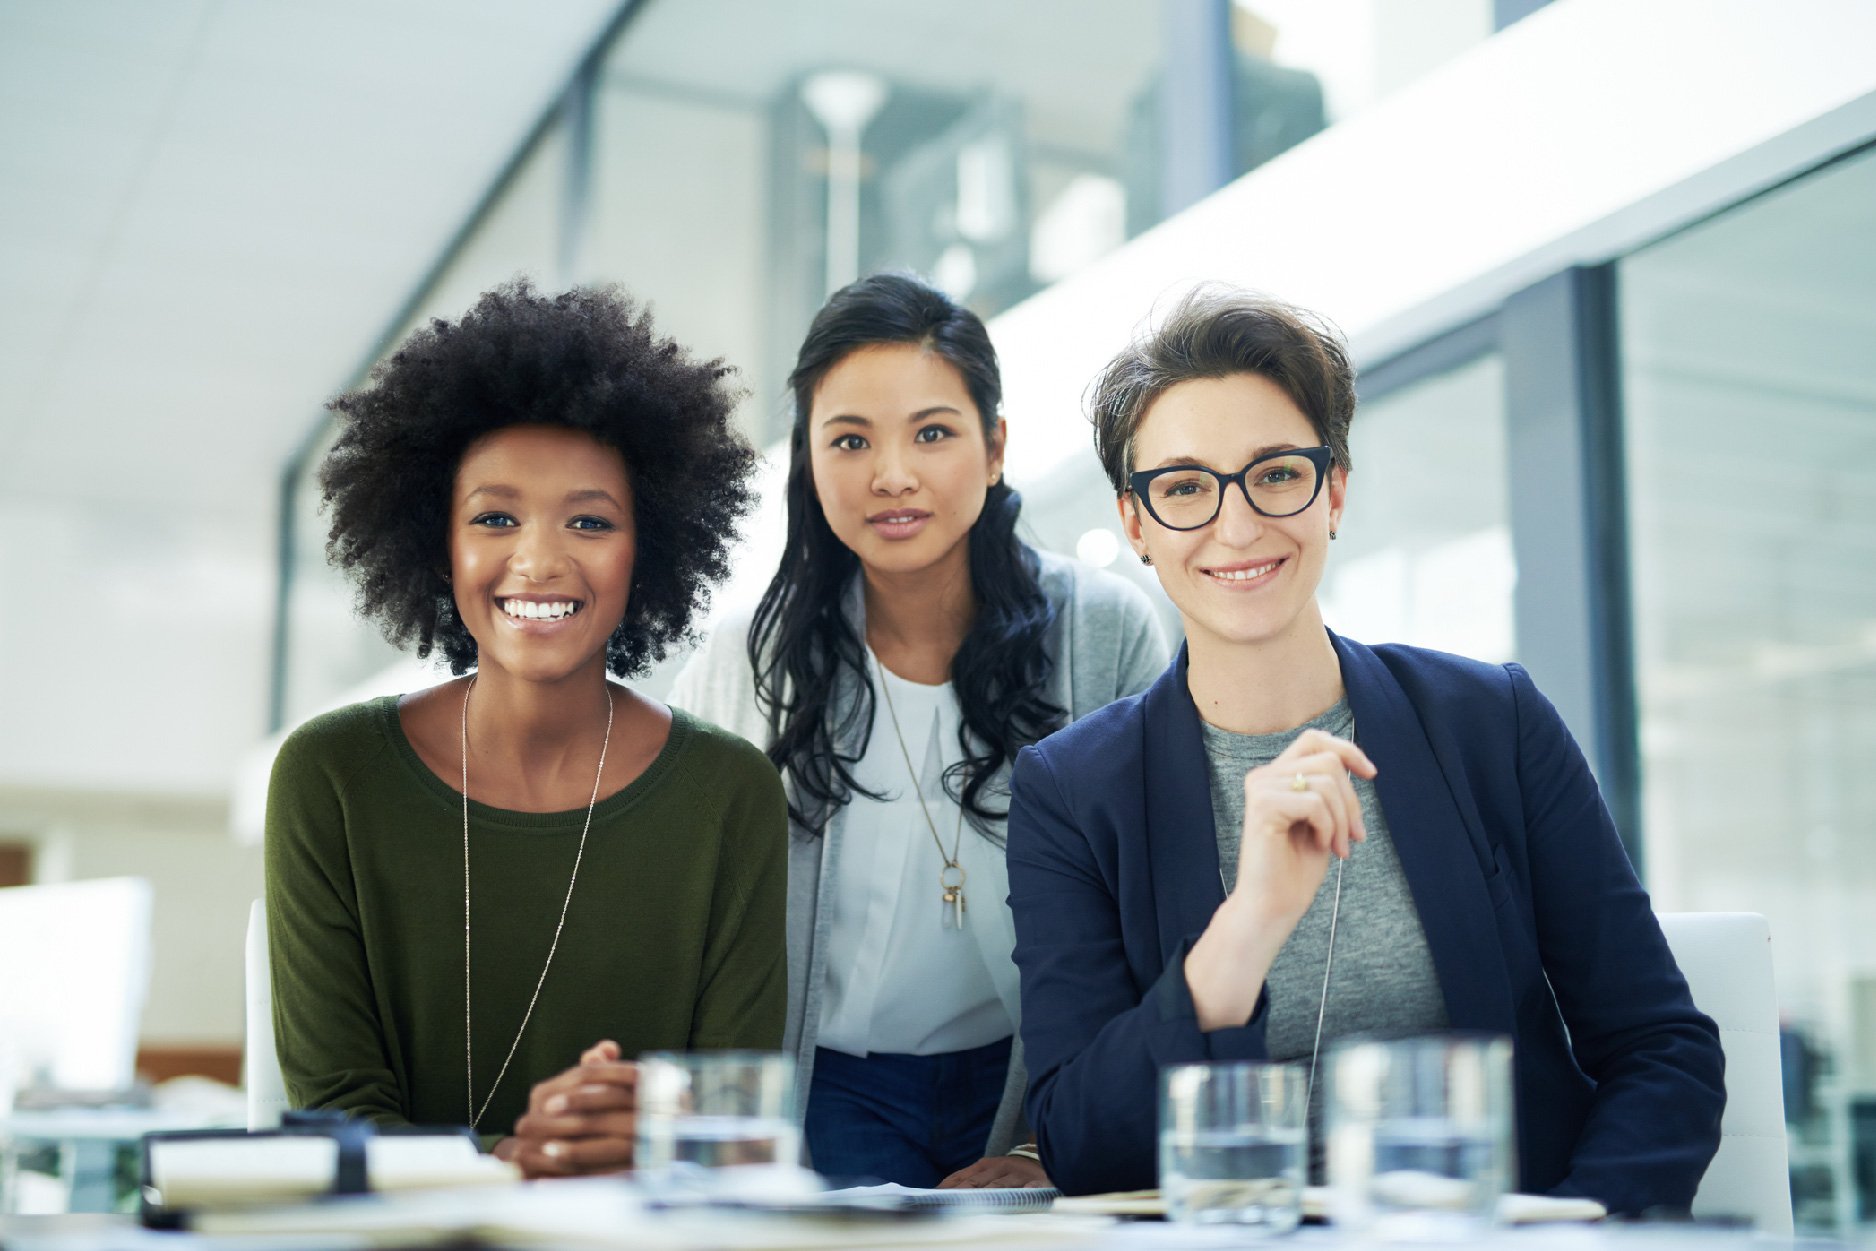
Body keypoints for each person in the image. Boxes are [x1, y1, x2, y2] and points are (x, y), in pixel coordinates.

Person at [1005, 287, 1726, 1213]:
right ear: (1138, 523)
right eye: (1185, 486)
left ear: (1334, 489)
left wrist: (1572, 1234)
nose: (1236, 524)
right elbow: (1082, 1140)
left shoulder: (1491, 722)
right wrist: (1247, 927)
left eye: (1275, 473)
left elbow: (1661, 1047)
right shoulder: (1071, 790)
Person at [266, 281, 787, 1177]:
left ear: (647, 547)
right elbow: (335, 1114)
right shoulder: (331, 776)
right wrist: (511, 1154)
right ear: (439, 543)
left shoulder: (729, 793)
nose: (540, 559)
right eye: (495, 518)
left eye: (589, 520)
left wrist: (639, 1134)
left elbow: (730, 1124)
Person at [671, 273, 1168, 1188]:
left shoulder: (1106, 633)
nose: (892, 473)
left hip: (1032, 1086)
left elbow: (1152, 914)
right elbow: (685, 930)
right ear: (808, 460)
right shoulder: (748, 663)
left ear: (994, 447)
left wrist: (1038, 1144)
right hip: (829, 1090)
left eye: (932, 433)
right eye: (850, 439)